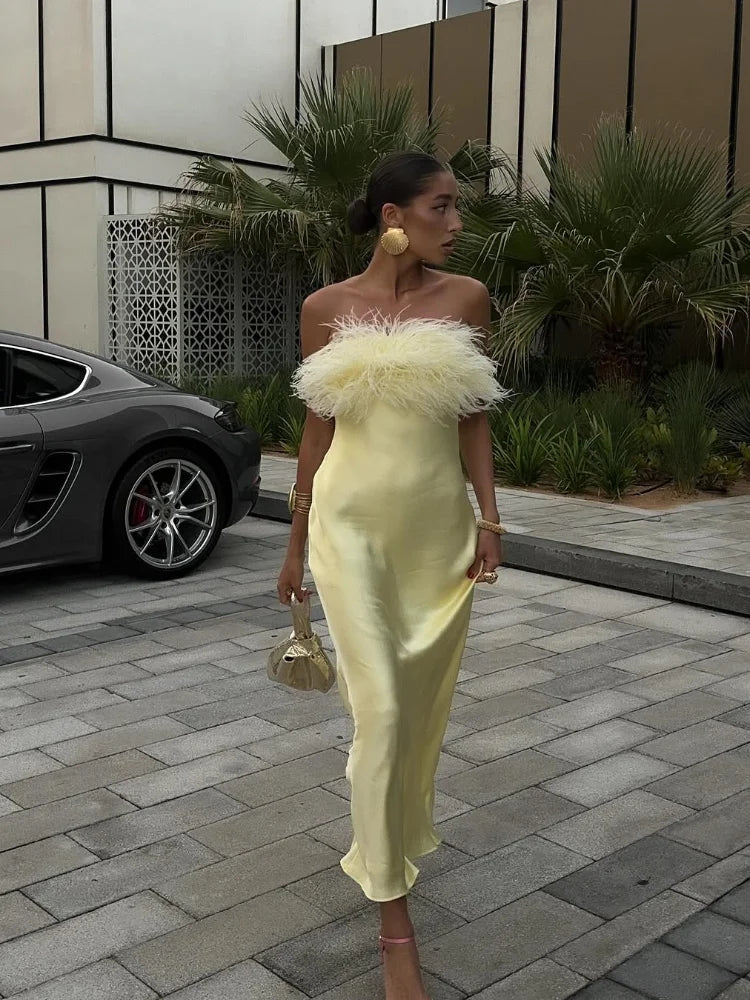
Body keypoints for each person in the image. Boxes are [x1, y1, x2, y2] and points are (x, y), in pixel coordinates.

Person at [276, 150, 507, 1000]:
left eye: (456, 208)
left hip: (435, 536)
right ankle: (392, 922)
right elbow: (315, 430)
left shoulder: (468, 301)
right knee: (378, 709)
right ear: (392, 216)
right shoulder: (325, 308)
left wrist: (489, 521)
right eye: (443, 206)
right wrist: (295, 541)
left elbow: (473, 420)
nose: (456, 222)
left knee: (417, 709)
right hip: (350, 532)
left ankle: (395, 836)